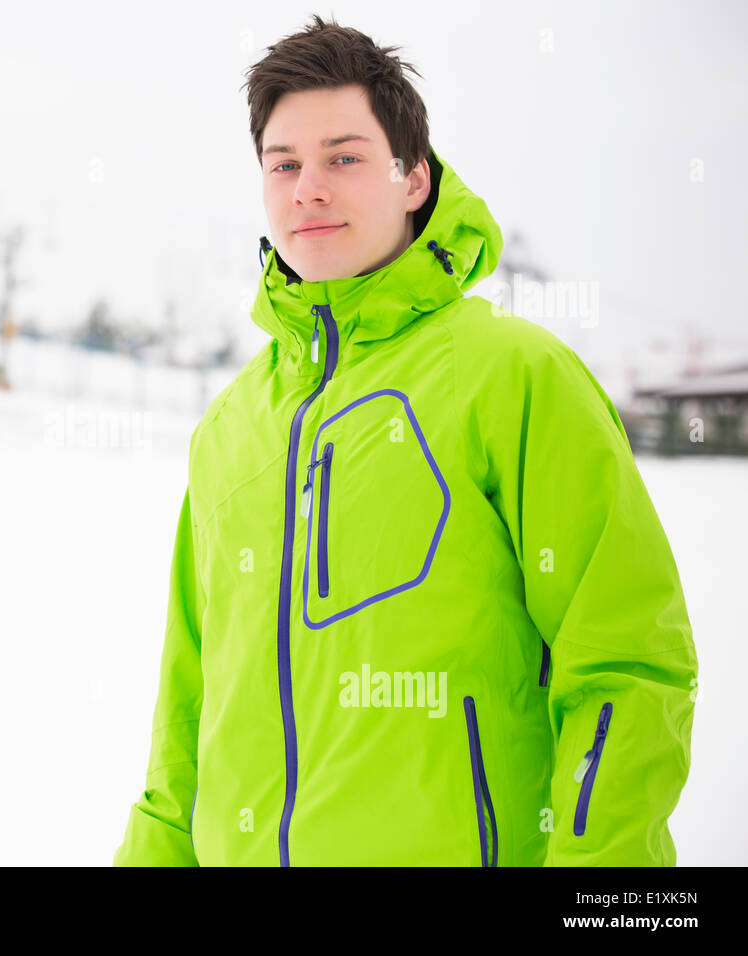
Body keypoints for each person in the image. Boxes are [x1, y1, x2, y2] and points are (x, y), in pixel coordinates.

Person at [113, 14, 697, 867]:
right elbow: (187, 716)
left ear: (414, 178)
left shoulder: (514, 374)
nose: (308, 187)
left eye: (343, 158)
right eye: (285, 164)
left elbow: (626, 670)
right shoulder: (231, 426)